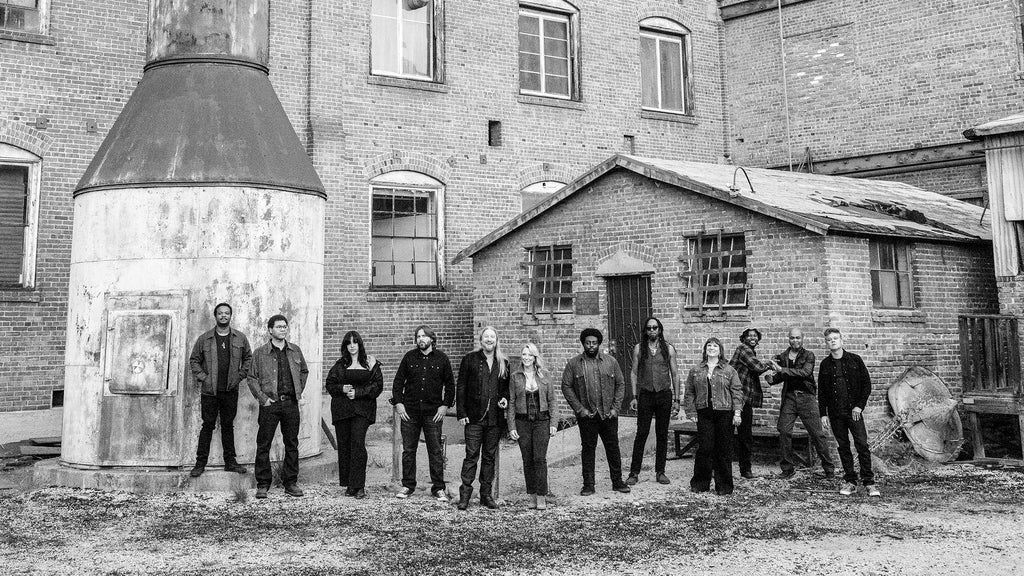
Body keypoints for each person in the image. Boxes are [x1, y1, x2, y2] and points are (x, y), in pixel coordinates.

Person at [561, 328, 631, 496]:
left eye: (594, 343)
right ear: (583, 344)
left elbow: (620, 384)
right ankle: (588, 485)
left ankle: (617, 481)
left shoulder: (611, 362)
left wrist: (615, 408)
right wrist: (580, 409)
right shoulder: (574, 364)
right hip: (588, 416)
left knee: (613, 448)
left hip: (608, 414)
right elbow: (566, 386)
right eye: (588, 343)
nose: (591, 346)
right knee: (588, 449)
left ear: (599, 343)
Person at [391, 325, 456, 502]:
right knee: (408, 450)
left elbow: (450, 385)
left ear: (432, 339)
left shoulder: (442, 359)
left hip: (433, 413)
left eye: (424, 336)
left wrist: (445, 406)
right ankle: (407, 485)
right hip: (410, 412)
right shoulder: (409, 357)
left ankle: (438, 488)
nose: (421, 339)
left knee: (435, 451)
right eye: (418, 336)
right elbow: (398, 382)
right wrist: (399, 403)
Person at [187, 302, 252, 477]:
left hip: (230, 390)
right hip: (210, 391)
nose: (224, 316)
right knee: (207, 426)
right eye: (220, 313)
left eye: (227, 313)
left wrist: (239, 376)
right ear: (215, 316)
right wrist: (204, 378)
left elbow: (248, 358)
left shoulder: (240, 338)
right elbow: (194, 360)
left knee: (228, 426)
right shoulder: (205, 338)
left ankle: (230, 462)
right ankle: (200, 464)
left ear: (231, 316)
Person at [248, 314, 309, 499]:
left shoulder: (295, 350)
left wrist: (297, 391)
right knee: (263, 444)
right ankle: (263, 484)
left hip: (290, 403)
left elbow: (304, 371)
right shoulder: (260, 353)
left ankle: (290, 483)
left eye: (285, 326)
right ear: (270, 330)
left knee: (291, 444)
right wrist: (263, 399)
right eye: (279, 327)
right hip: (270, 405)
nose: (283, 329)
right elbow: (251, 378)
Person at [767, 327, 835, 480]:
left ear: (803, 339)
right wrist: (770, 377)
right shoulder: (783, 356)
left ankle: (829, 470)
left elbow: (805, 373)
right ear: (788, 339)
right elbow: (780, 376)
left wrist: (781, 369)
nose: (795, 340)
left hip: (806, 398)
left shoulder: (809, 355)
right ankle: (787, 469)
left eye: (798, 338)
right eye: (792, 338)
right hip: (789, 398)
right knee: (784, 431)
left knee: (817, 434)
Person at [818, 328, 879, 497]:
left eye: (835, 338)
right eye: (829, 339)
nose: (832, 341)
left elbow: (866, 385)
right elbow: (822, 392)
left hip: (854, 412)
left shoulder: (855, 360)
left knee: (862, 445)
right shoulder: (825, 364)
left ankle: (869, 482)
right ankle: (850, 481)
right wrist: (823, 414)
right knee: (843, 446)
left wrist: (859, 406)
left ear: (841, 340)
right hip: (836, 413)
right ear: (826, 343)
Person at [456, 326, 510, 510]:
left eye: (492, 337)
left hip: (494, 419)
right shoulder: (470, 359)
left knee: (489, 457)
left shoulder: (503, 362)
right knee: (471, 456)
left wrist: (504, 399)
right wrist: (461, 413)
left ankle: (486, 495)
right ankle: (465, 495)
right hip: (474, 418)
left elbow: (505, 389)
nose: (489, 339)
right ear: (481, 340)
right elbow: (461, 386)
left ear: (496, 340)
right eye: (486, 336)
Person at [325, 331, 383, 499]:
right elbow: (329, 384)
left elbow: (378, 386)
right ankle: (350, 485)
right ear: (345, 346)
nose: (352, 346)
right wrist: (342, 388)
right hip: (342, 410)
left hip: (362, 409)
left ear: (359, 344)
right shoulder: (340, 365)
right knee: (345, 445)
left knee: (357, 443)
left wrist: (358, 392)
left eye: (355, 342)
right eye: (348, 343)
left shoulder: (370, 363)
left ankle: (359, 485)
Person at [683, 337, 743, 495]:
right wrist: (691, 412)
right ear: (705, 350)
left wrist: (737, 413)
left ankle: (724, 486)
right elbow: (689, 392)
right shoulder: (696, 370)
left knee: (723, 449)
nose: (711, 348)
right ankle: (700, 484)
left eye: (715, 346)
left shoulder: (729, 370)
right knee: (705, 447)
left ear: (720, 350)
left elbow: (737, 392)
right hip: (704, 413)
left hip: (724, 413)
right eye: (709, 345)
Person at [627, 317, 678, 486]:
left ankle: (660, 472)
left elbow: (675, 374)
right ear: (645, 331)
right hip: (646, 395)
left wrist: (677, 399)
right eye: (649, 328)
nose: (652, 330)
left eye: (655, 327)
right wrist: (634, 396)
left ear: (660, 330)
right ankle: (634, 473)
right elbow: (634, 373)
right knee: (641, 433)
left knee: (662, 434)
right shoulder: (639, 348)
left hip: (664, 394)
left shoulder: (668, 348)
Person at [508, 343, 558, 510]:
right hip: (522, 422)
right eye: (524, 354)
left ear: (535, 357)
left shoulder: (545, 375)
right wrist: (511, 426)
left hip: (541, 421)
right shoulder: (515, 376)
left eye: (530, 355)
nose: (527, 358)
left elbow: (552, 400)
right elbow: (512, 402)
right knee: (527, 459)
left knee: (539, 458)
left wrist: (554, 423)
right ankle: (532, 495)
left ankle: (542, 495)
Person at [729, 328, 773, 478]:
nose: (753, 338)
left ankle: (745, 469)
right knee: (731, 435)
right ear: (744, 338)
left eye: (755, 336)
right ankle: (727, 469)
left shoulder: (750, 352)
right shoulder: (743, 349)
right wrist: (771, 363)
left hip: (744, 399)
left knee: (745, 436)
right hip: (734, 398)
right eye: (749, 336)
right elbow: (758, 367)